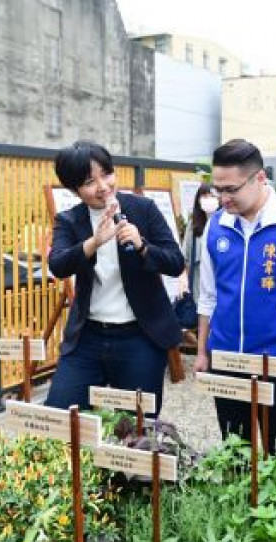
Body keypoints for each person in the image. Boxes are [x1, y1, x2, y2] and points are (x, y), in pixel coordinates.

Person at [195, 138, 276, 456]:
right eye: (217, 189)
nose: (223, 198)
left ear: (260, 178)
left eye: (231, 189)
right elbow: (208, 296)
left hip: (274, 355)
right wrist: (202, 352)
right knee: (234, 445)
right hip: (225, 354)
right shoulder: (216, 227)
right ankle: (239, 504)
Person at [46, 140, 184, 411]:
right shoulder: (70, 220)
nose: (103, 186)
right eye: (89, 181)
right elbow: (58, 264)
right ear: (75, 189)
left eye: (107, 174)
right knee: (61, 416)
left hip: (140, 336)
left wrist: (143, 245)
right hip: (88, 337)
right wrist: (93, 242)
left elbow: (175, 262)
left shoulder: (143, 209)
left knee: (136, 431)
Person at [175, 184, 218, 345]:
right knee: (198, 319)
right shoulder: (194, 226)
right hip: (197, 283)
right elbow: (185, 257)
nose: (208, 200)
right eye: (204, 196)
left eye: (212, 195)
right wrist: (183, 281)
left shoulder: (225, 222)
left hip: (219, 282)